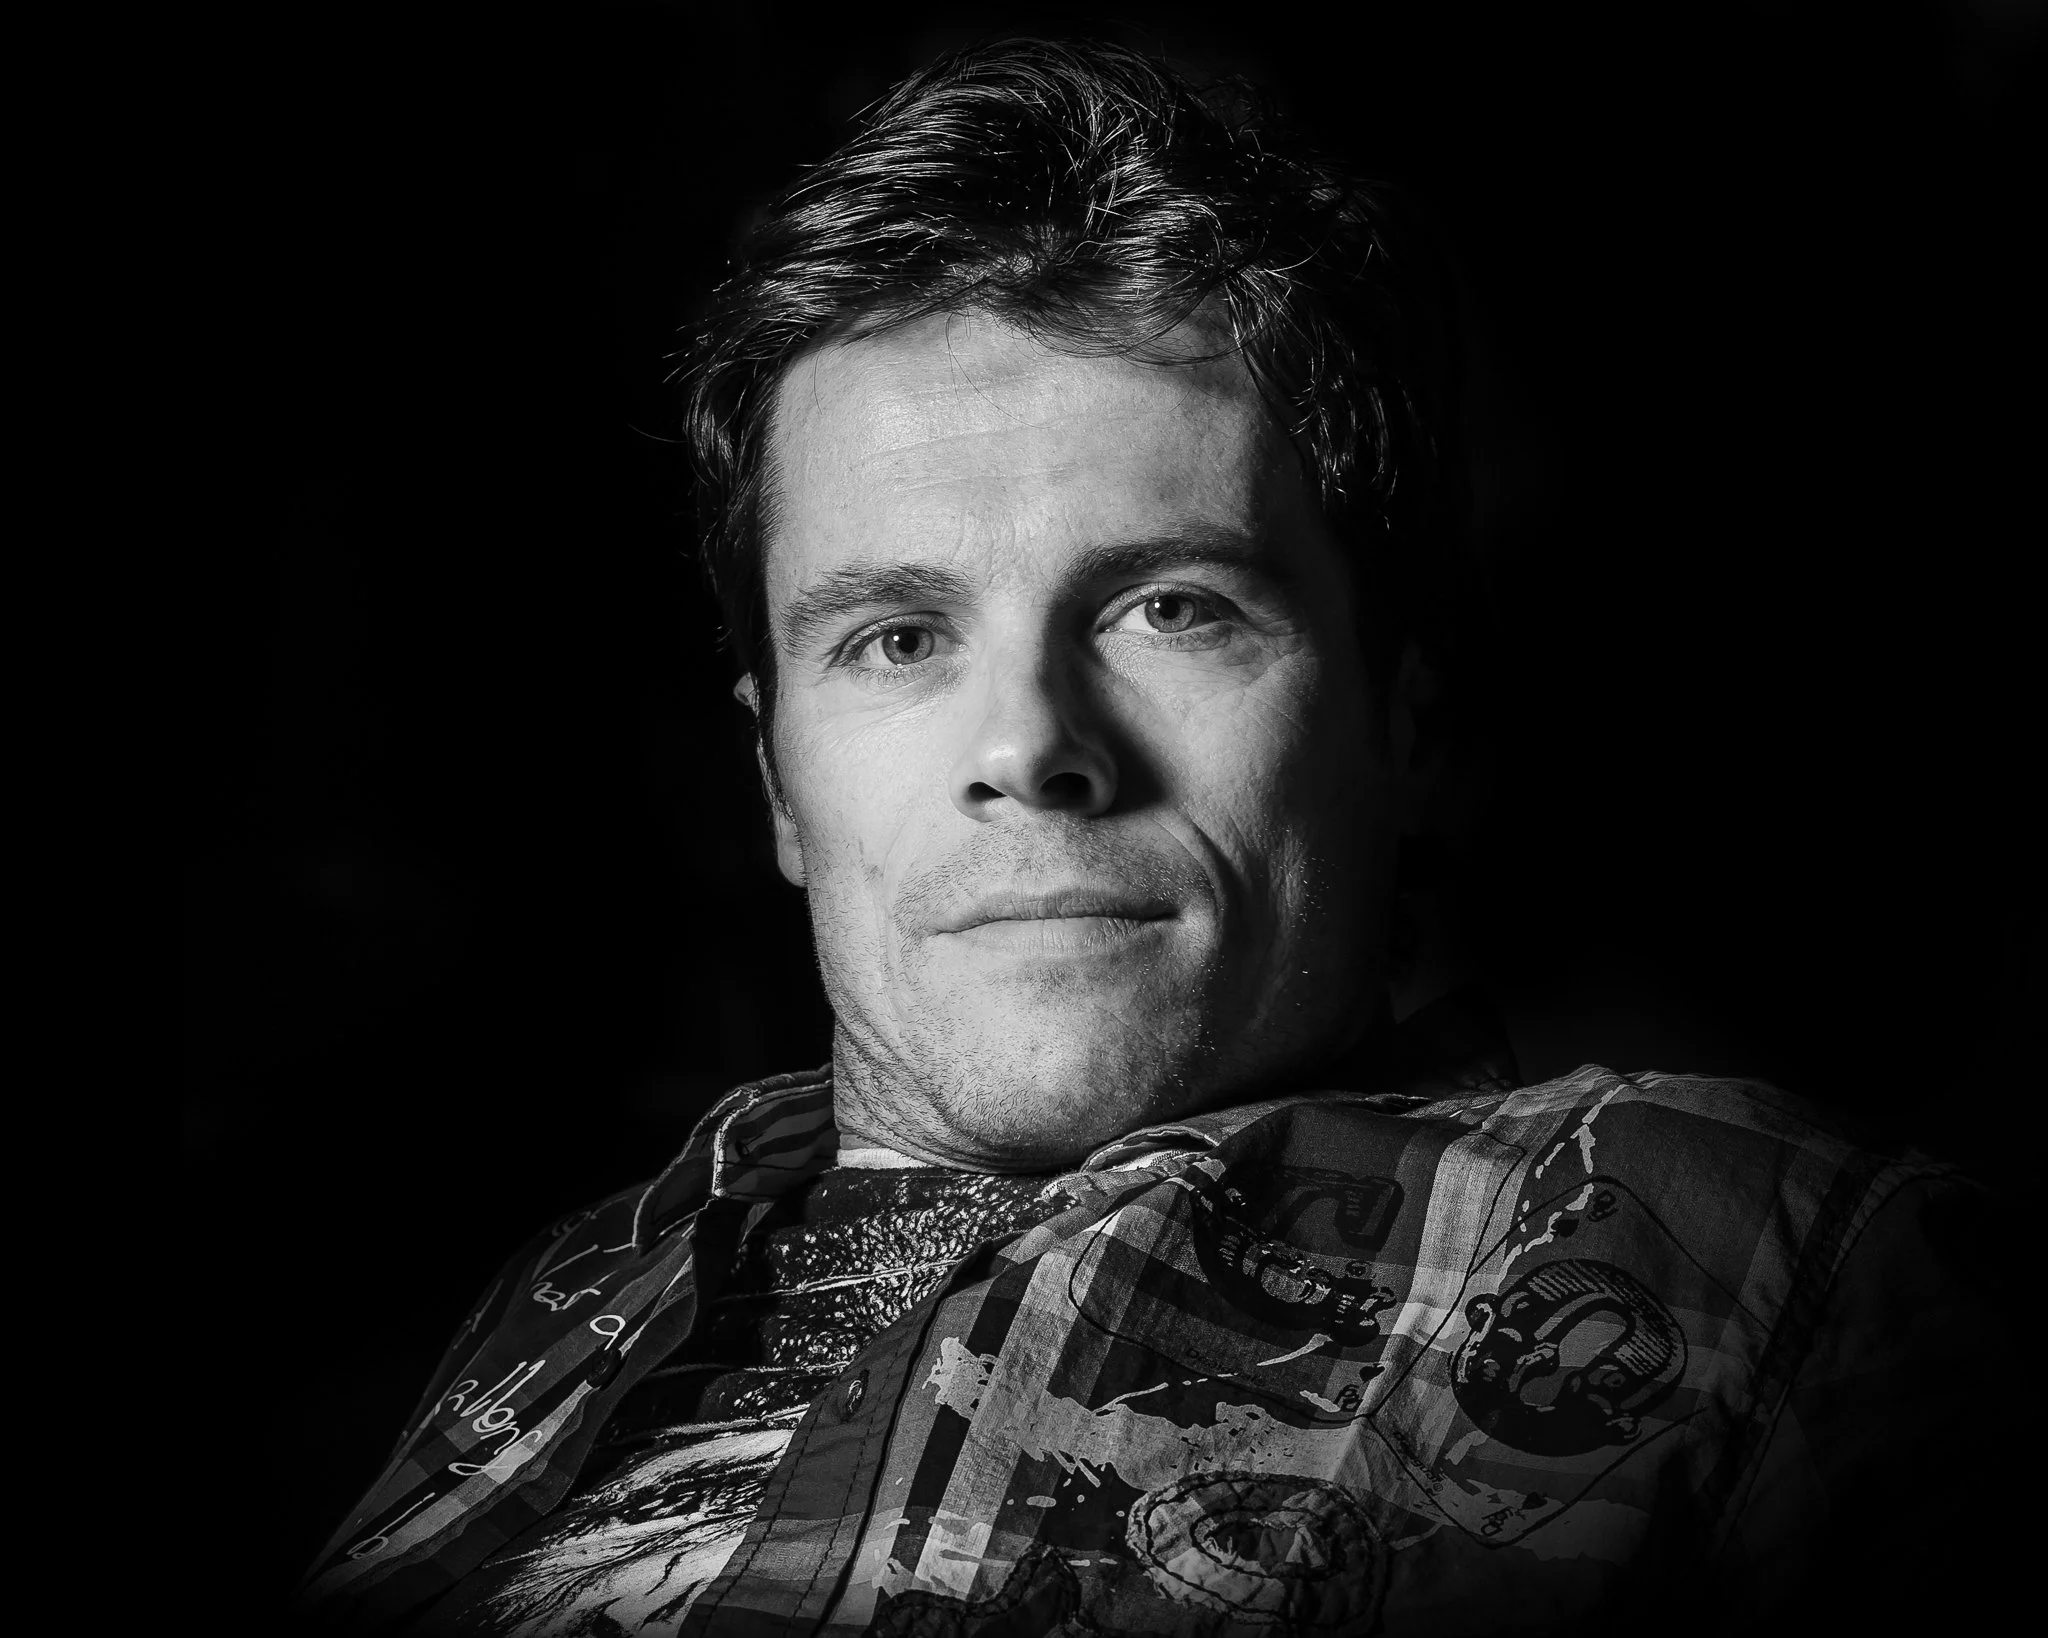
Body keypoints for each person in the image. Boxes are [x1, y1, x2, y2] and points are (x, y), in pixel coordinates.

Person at [299, 38, 2001, 1636]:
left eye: (1171, 606)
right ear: (776, 785)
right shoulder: (551, 1300)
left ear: (1401, 721)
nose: (1033, 746)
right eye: (898, 637)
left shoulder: (1761, 1249)